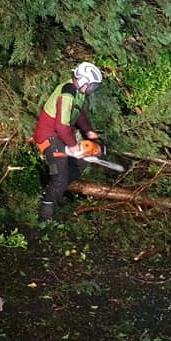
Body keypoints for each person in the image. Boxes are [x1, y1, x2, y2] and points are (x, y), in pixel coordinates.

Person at [33, 61, 105, 221]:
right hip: (48, 136)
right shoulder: (67, 93)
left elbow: (79, 114)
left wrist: (89, 131)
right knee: (60, 175)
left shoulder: (79, 94)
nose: (92, 90)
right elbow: (61, 125)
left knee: (82, 161)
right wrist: (73, 147)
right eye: (92, 86)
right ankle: (45, 216)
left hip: (59, 136)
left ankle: (53, 191)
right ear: (83, 81)